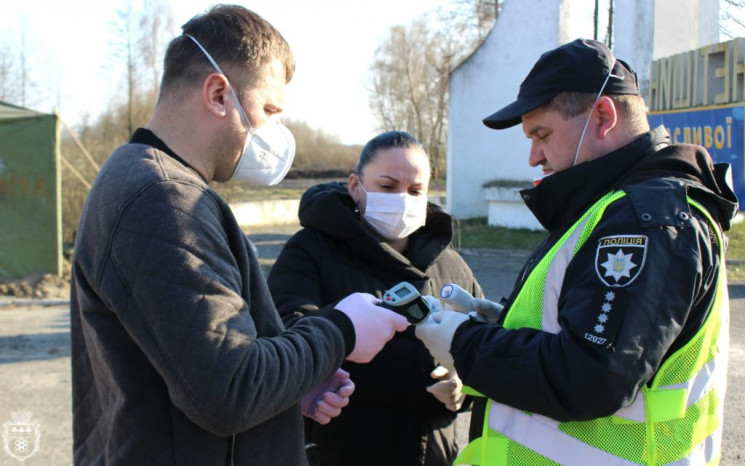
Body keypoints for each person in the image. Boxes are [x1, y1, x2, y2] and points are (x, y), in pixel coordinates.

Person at [69, 5, 409, 465]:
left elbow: (195, 369)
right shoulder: (161, 199)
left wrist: (293, 386)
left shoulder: (144, 181)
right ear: (217, 94)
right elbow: (230, 390)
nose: (275, 130)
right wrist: (342, 329)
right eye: (269, 109)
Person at [415, 39, 738, 465]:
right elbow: (581, 332)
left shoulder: (644, 220)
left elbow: (590, 374)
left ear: (603, 116)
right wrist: (499, 322)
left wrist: (465, 343)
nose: (533, 157)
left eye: (542, 135)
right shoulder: (611, 207)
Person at [267, 130, 484, 465]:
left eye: (415, 190)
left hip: (432, 453)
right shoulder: (310, 250)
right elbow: (285, 334)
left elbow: (484, 348)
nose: (402, 200)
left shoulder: (452, 265)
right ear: (355, 186)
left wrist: (463, 388)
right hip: (340, 451)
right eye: (387, 186)